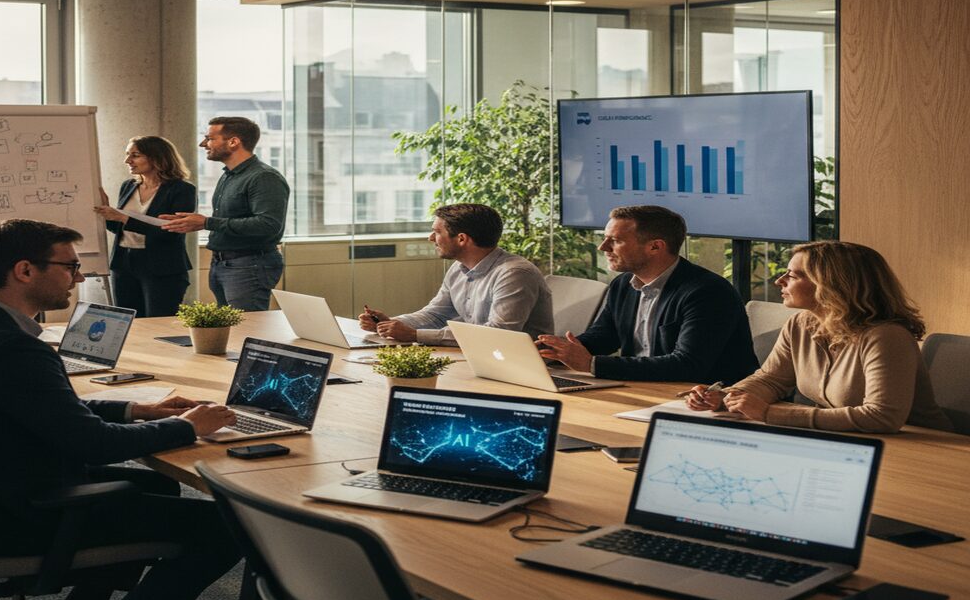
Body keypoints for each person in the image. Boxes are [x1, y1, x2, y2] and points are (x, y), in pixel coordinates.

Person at [0, 219, 240, 600]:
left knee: (157, 482)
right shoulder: (11, 347)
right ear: (24, 271)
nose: (79, 277)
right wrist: (186, 426)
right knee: (226, 525)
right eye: (70, 267)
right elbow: (94, 444)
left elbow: (37, 408)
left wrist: (137, 409)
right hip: (14, 516)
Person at [686, 241, 951, 433]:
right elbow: (771, 379)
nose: (780, 281)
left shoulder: (886, 337)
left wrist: (769, 413)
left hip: (921, 448)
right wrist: (727, 396)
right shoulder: (801, 323)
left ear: (830, 285)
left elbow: (882, 417)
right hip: (851, 442)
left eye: (792, 275)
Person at [537, 205, 757, 383]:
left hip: (702, 400)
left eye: (615, 240)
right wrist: (556, 351)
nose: (603, 247)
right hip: (643, 388)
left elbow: (687, 366)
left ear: (655, 247)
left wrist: (591, 364)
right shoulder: (623, 284)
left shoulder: (708, 292)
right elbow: (604, 337)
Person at [357, 203, 553, 347]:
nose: (430, 238)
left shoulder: (514, 274)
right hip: (477, 355)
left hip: (519, 365)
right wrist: (388, 324)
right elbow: (435, 315)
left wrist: (415, 335)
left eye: (437, 232)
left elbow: (498, 334)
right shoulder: (458, 269)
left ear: (461, 239)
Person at [158, 116, 289, 311]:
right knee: (229, 329)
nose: (203, 144)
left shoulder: (263, 177)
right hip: (224, 263)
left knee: (245, 329)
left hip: (249, 265)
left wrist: (207, 223)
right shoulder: (229, 175)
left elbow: (268, 224)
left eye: (209, 138)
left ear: (234, 142)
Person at [93, 136, 196, 316]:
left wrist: (124, 218)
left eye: (135, 155)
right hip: (124, 264)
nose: (128, 161)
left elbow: (172, 232)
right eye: (127, 155)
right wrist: (108, 214)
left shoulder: (182, 190)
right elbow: (120, 230)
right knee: (128, 323)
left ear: (156, 157)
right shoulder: (128, 186)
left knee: (158, 325)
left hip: (161, 267)